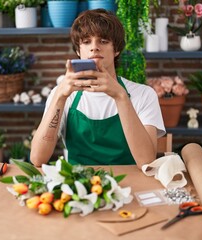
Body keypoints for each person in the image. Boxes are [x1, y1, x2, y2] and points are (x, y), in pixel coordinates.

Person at [30, 9, 165, 168]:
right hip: (80, 186)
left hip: (131, 185)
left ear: (116, 49)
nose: (94, 47)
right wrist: (59, 96)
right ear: (78, 51)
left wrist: (121, 97)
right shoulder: (64, 95)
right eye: (86, 42)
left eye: (103, 41)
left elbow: (147, 161)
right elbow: (38, 159)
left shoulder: (143, 94)